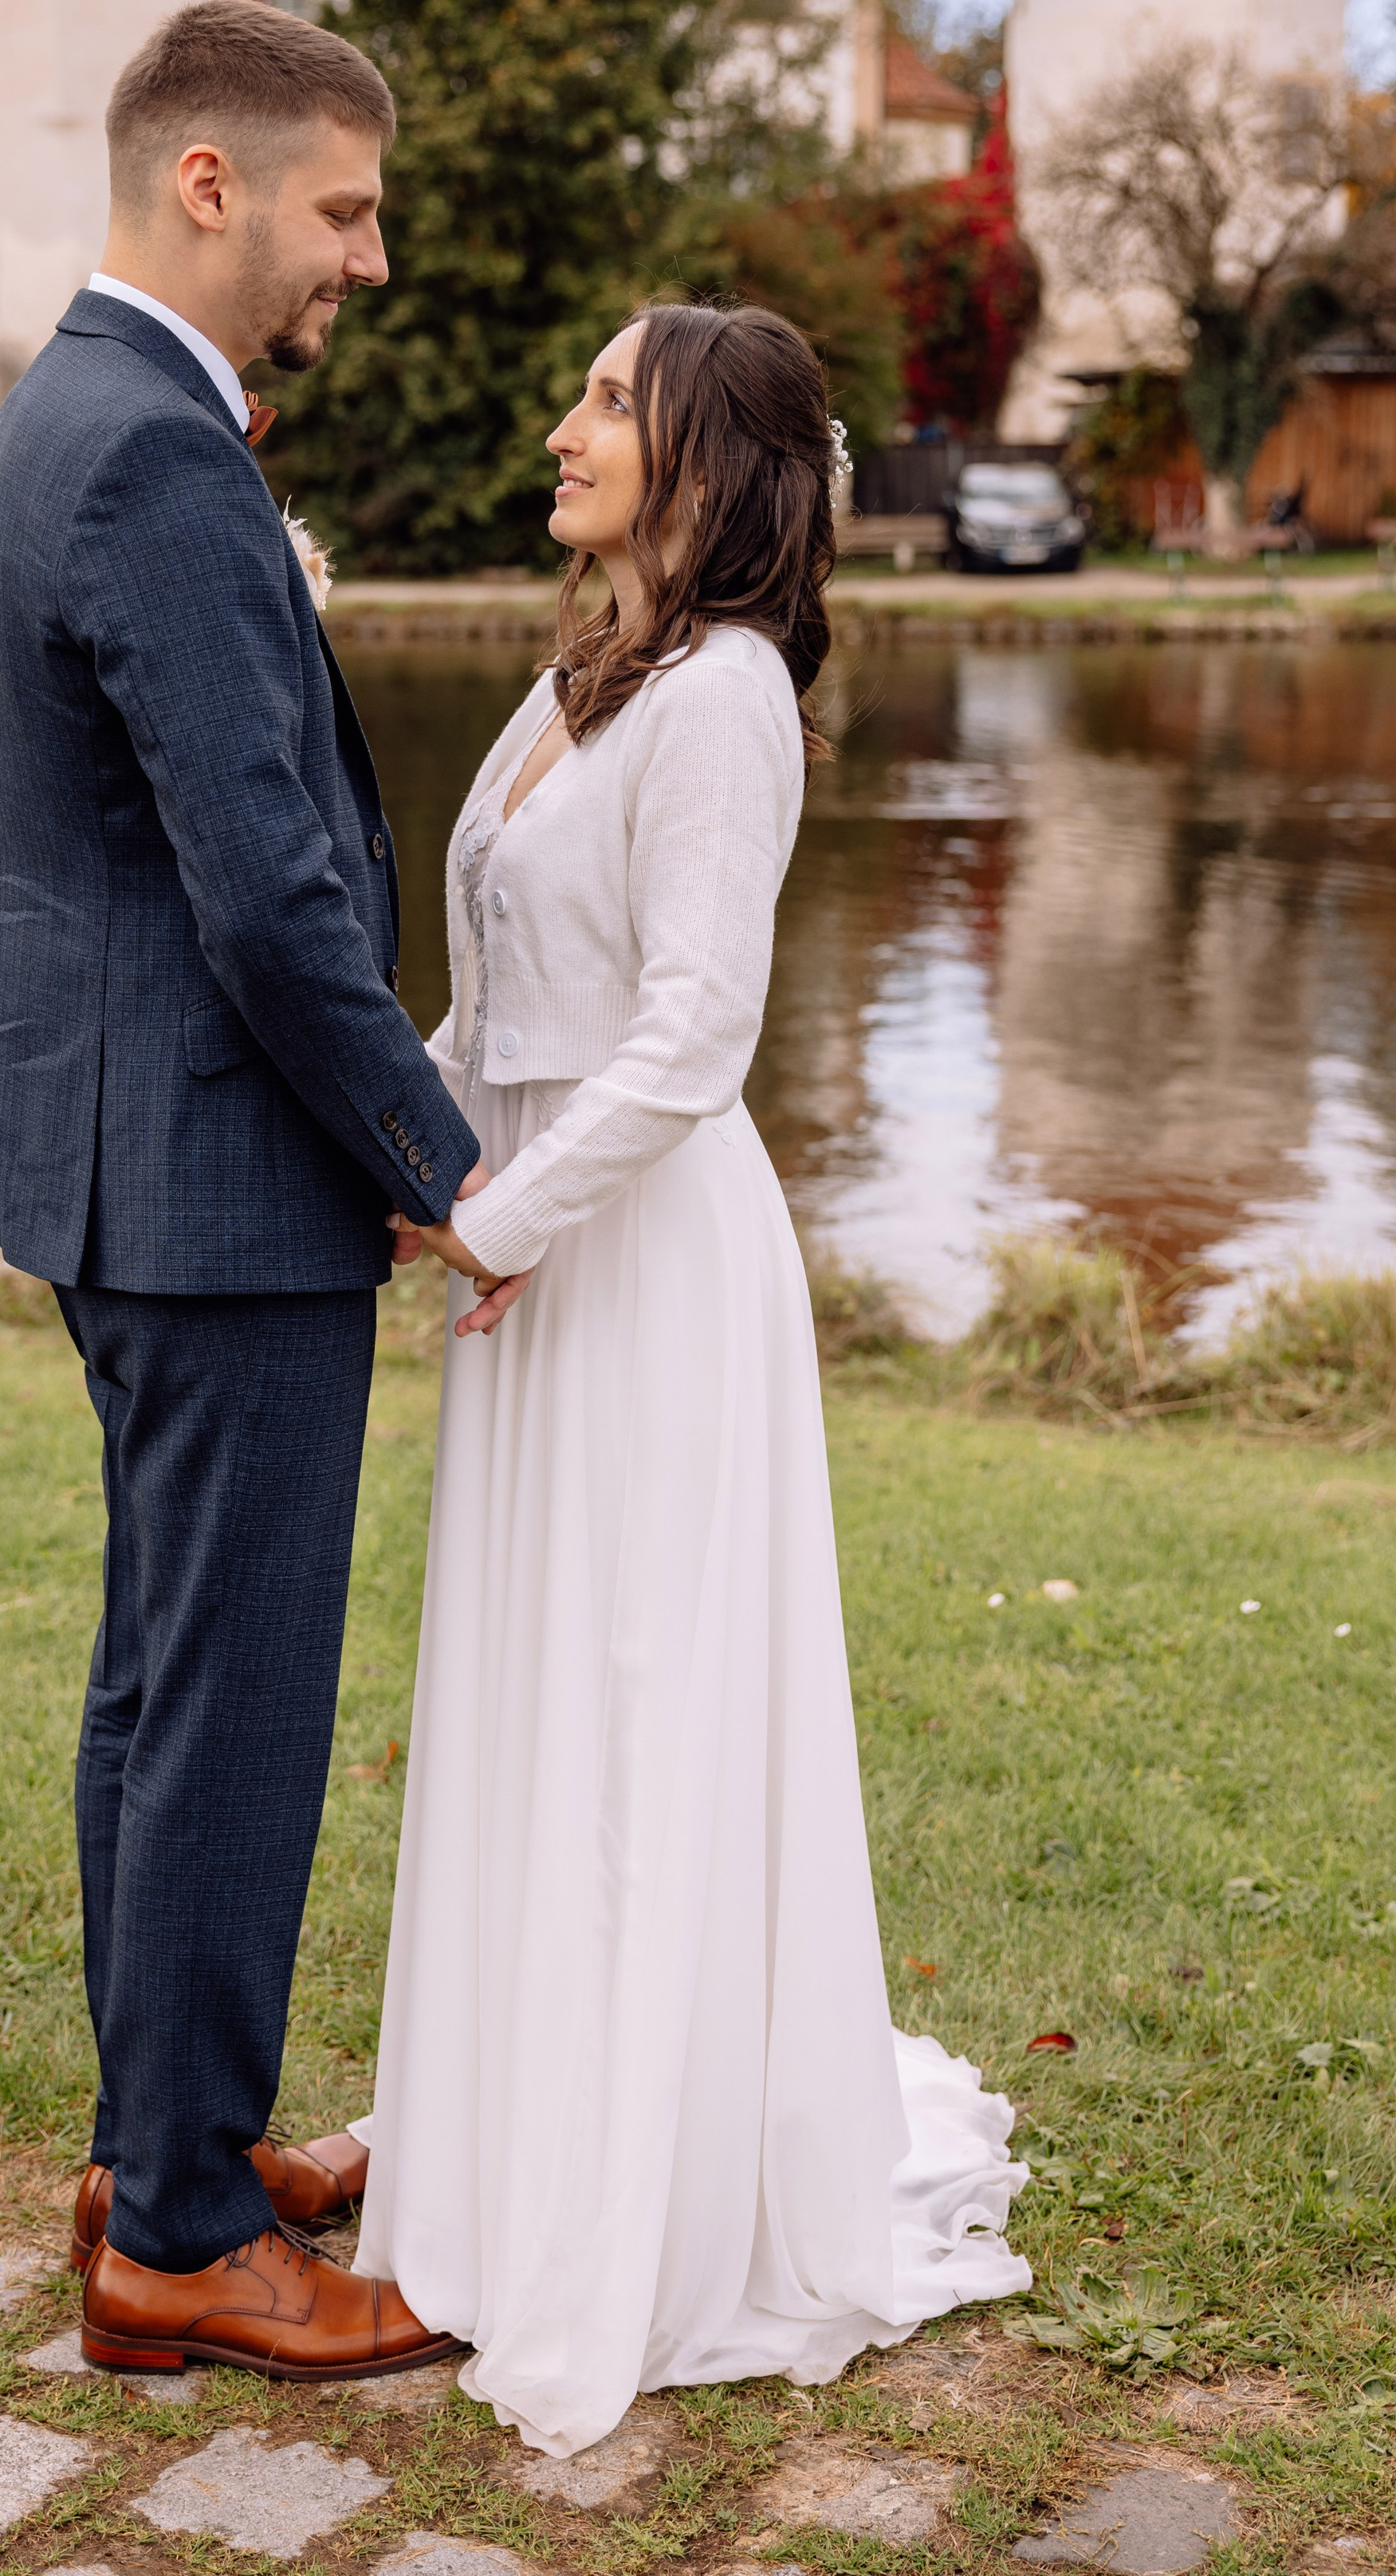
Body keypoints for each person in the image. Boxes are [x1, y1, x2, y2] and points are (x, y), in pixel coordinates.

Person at [352, 303, 1031, 2457]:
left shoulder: (725, 698)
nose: (561, 429)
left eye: (605, 404)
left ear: (707, 464)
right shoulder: (586, 677)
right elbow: (499, 1005)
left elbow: (688, 1038)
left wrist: (508, 1222)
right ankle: (507, 2128)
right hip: (545, 1238)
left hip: (644, 1262)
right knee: (539, 1685)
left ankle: (632, 2192)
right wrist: (412, 1157)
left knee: (637, 1690)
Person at [0, 0, 488, 2382]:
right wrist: (439, 1165)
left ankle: (161, 2143)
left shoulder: (69, 408)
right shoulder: (157, 455)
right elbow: (267, 901)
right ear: (211, 183)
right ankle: (180, 2235)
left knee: (162, 1685)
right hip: (211, 1179)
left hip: (124, 1156)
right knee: (235, 1704)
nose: (367, 257)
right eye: (344, 211)